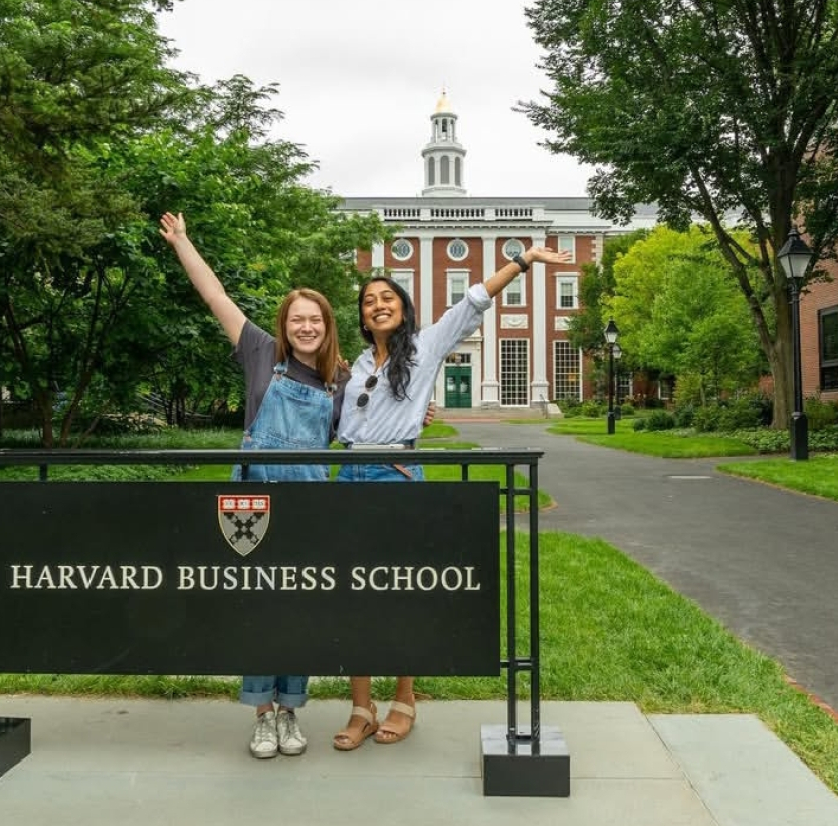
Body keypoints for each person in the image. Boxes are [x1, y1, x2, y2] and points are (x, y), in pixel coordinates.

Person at [331, 243, 573, 750]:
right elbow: (346, 422)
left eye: (387, 297)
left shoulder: (425, 346)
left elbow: (474, 300)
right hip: (348, 476)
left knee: (398, 593)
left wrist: (523, 261)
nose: (378, 305)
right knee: (353, 597)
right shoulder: (357, 364)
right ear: (362, 317)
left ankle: (404, 699)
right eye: (369, 300)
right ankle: (360, 707)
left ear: (403, 308)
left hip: (394, 475)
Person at [160, 210, 344, 760]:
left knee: (299, 608)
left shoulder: (342, 379)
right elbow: (214, 295)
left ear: (327, 325)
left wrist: (422, 413)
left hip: (309, 505)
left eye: (314, 320)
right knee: (258, 606)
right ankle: (263, 716)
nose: (306, 327)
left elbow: (378, 419)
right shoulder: (261, 352)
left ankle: (292, 709)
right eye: (297, 319)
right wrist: (182, 242)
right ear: (284, 326)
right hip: (252, 506)